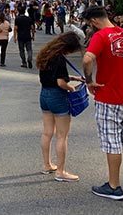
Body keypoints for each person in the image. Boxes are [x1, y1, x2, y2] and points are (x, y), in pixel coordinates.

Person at [81, 6, 123, 201]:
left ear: (93, 21)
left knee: (113, 143)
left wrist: (89, 80)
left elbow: (87, 59)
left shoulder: (100, 37)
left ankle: (114, 186)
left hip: (108, 97)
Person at [36, 32, 85, 182]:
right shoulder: (59, 58)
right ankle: (61, 171)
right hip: (57, 96)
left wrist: (73, 77)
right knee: (62, 136)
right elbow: (60, 83)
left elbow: (53, 75)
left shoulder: (46, 54)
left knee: (47, 133)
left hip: (44, 94)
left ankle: (47, 165)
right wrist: (72, 88)